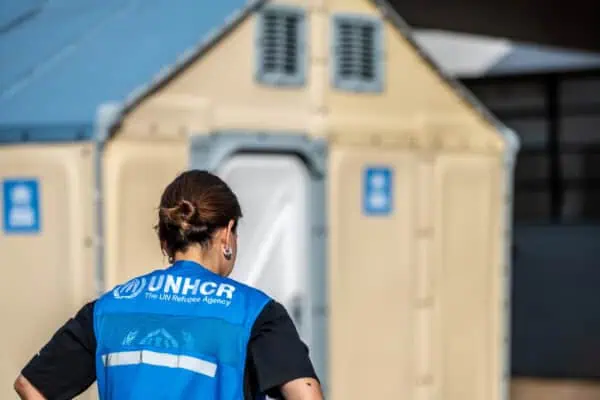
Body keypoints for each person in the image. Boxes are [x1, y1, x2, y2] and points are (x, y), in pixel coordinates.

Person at [14, 170, 323, 400]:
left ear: (164, 238)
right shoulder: (253, 312)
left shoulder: (108, 309)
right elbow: (305, 394)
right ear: (228, 233)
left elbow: (31, 385)